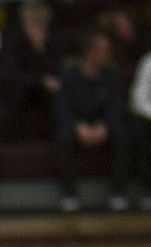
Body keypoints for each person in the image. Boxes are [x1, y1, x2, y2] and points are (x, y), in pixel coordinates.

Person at [55, 31, 130, 213]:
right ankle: (69, 195)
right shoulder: (69, 75)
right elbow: (61, 107)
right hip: (77, 124)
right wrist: (76, 125)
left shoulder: (112, 76)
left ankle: (118, 193)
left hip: (102, 124)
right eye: (104, 51)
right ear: (89, 52)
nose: (108, 55)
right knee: (63, 136)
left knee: (123, 135)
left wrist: (104, 125)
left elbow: (116, 106)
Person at [1, 0, 62, 140]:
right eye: (34, 24)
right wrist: (40, 79)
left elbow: (57, 69)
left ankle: (58, 137)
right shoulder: (15, 41)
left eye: (42, 24)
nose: (38, 28)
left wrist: (40, 49)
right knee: (17, 92)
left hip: (46, 89)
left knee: (60, 94)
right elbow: (15, 72)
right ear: (25, 23)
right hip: (24, 87)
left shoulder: (52, 42)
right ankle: (13, 141)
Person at [129, 47, 151, 206]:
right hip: (149, 118)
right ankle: (147, 189)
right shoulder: (148, 61)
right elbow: (138, 100)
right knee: (140, 125)